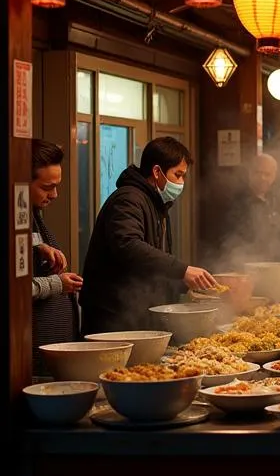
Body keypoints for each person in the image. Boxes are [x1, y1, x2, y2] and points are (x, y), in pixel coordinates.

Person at [80, 137, 217, 334]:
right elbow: (128, 245)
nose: (181, 183)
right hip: (114, 314)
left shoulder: (155, 202)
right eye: (178, 175)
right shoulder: (128, 199)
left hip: (135, 309)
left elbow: (152, 263)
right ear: (156, 171)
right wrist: (182, 270)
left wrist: (183, 284)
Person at [30, 140, 81, 364]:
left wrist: (37, 246)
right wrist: (58, 284)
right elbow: (16, 289)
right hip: (31, 361)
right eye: (46, 187)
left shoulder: (31, 215)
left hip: (50, 355)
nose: (55, 195)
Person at [223, 153, 280, 260]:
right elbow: (230, 240)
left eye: (267, 174)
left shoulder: (277, 201)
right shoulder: (236, 202)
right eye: (258, 173)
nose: (262, 178)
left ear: (274, 176)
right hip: (244, 261)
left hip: (273, 262)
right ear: (250, 173)